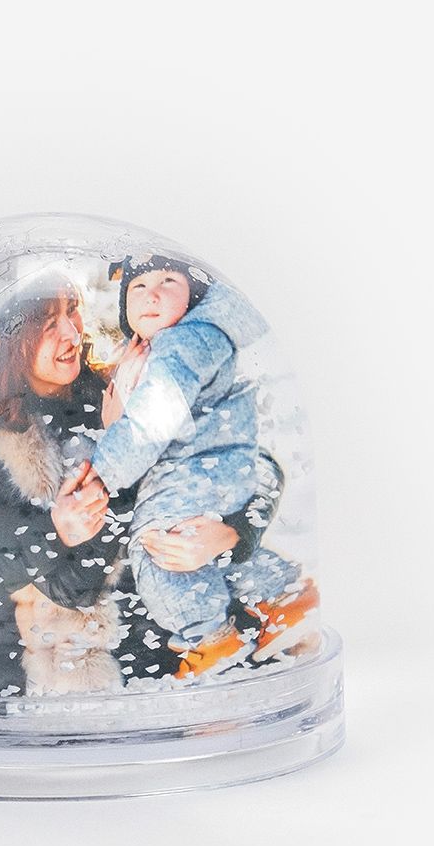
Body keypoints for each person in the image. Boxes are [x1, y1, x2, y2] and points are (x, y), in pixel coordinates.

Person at [0, 270, 295, 694]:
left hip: (221, 636)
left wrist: (230, 534)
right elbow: (74, 588)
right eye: (48, 325)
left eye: (73, 312)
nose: (72, 333)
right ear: (15, 341)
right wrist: (63, 525)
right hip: (122, 675)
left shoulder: (131, 377)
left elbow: (255, 464)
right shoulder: (4, 454)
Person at [90, 256, 314, 669]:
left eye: (167, 282)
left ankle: (218, 638)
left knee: (163, 545)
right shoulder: (122, 376)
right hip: (142, 642)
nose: (152, 295)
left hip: (196, 508)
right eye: (138, 287)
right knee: (177, 546)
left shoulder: (182, 350)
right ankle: (280, 599)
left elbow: (260, 465)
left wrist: (232, 534)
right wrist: (113, 426)